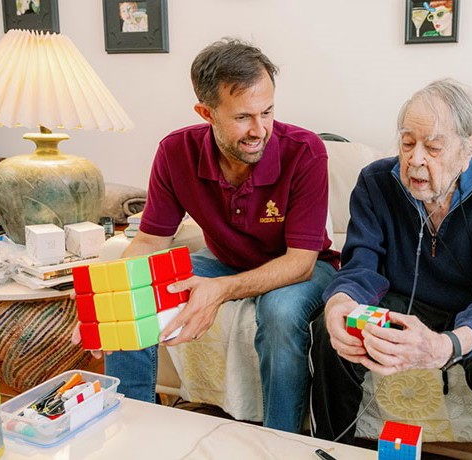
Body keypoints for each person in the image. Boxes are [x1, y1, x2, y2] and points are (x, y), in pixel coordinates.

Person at [73, 38, 339, 434]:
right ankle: (131, 427)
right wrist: (107, 300)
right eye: (243, 117)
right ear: (206, 113)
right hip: (226, 261)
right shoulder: (175, 152)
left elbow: (300, 262)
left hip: (302, 267)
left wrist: (220, 291)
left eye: (267, 112)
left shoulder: (305, 151)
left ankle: (280, 441)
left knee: (280, 313)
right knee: (136, 290)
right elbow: (149, 242)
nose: (260, 130)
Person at [309, 78, 472, 459]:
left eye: (433, 147)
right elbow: (360, 268)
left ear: (467, 148)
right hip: (405, 302)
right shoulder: (374, 183)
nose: (415, 159)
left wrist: (446, 346)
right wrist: (339, 305)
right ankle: (332, 450)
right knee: (329, 331)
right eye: (407, 143)